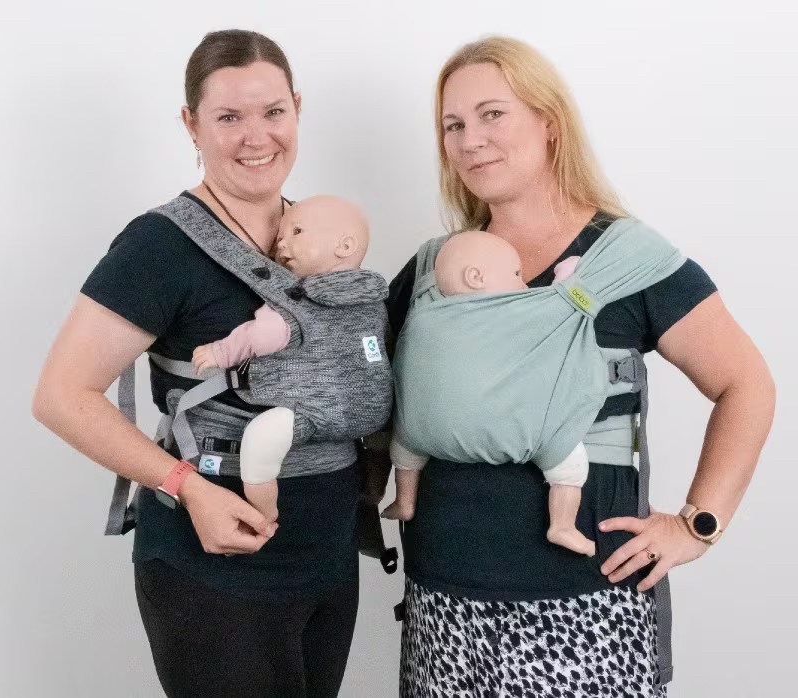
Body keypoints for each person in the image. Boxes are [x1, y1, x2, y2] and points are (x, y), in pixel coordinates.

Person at [379, 36, 775, 697]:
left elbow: (747, 384)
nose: (470, 140)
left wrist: (697, 526)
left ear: (548, 121)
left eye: (492, 114)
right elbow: (367, 376)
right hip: (443, 601)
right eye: (453, 125)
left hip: (590, 603)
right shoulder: (433, 269)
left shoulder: (627, 259)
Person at [32, 30, 365, 698]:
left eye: (273, 111)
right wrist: (187, 488)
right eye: (229, 117)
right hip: (213, 561)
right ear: (192, 124)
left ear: (298, 108)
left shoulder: (322, 232)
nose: (257, 136)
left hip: (326, 551)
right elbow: (61, 395)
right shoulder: (158, 246)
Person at [382, 232, 596, 556]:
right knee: (568, 464)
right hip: (517, 431)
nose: (524, 285)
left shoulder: (426, 306)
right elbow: (564, 312)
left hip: (420, 432)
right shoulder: (514, 312)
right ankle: (563, 525)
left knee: (404, 452)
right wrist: (567, 279)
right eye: (516, 274)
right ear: (476, 277)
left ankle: (404, 501)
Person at [190, 195, 382, 526]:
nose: (281, 244)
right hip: (372, 412)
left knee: (259, 440)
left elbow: (262, 335)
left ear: (345, 246)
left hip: (311, 412)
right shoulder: (373, 299)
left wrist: (219, 352)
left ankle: (264, 510)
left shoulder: (298, 300)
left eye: (297, 232)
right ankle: (377, 486)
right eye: (280, 236)